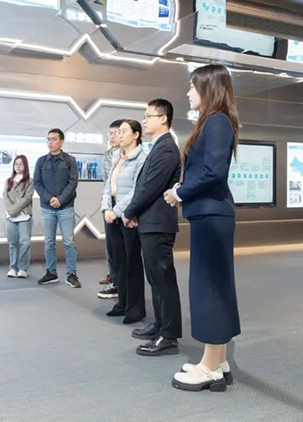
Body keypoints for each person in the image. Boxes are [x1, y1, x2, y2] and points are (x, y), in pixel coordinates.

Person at [164, 64, 241, 392]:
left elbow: (212, 172)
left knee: (208, 287)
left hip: (212, 216)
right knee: (215, 286)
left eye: (192, 87)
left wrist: (179, 192)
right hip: (210, 215)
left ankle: (209, 366)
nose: (188, 93)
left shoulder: (217, 121)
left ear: (208, 88)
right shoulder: (215, 121)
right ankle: (218, 360)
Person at [122, 99, 182, 356]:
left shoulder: (166, 149)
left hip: (158, 224)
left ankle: (168, 336)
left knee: (163, 280)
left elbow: (150, 187)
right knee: (156, 279)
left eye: (149, 116)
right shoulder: (158, 146)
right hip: (151, 222)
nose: (144, 121)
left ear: (163, 119)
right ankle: (160, 324)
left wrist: (129, 211)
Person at [100, 120, 147, 322]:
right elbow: (107, 186)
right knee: (118, 262)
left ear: (136, 135)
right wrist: (106, 208)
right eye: (118, 132)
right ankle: (122, 303)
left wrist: (116, 211)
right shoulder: (118, 156)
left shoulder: (142, 158)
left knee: (131, 262)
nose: (119, 135)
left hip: (128, 215)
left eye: (123, 131)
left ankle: (135, 309)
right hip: (111, 213)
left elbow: (137, 190)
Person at [34, 129, 81, 288]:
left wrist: (60, 199)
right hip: (47, 208)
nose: (50, 142)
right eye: (48, 139)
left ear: (61, 141)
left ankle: (71, 274)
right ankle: (51, 273)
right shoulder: (41, 161)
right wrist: (50, 199)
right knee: (49, 242)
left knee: (69, 242)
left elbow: (73, 182)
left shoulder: (70, 160)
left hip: (66, 207)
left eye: (53, 139)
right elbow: (37, 183)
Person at [98, 120, 123, 290]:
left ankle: (121, 279)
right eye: (110, 133)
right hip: (109, 203)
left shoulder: (128, 154)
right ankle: (113, 274)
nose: (112, 137)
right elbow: (105, 182)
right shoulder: (106, 155)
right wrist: (106, 205)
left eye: (116, 133)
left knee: (122, 244)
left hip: (124, 203)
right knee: (110, 243)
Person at [3, 155, 34, 278]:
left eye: (21, 164)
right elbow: (5, 196)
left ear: (25, 166)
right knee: (13, 243)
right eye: (16, 164)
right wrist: (11, 212)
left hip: (24, 216)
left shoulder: (30, 181)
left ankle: (23, 268)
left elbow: (27, 198)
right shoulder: (8, 181)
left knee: (24, 243)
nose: (18, 166)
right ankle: (13, 267)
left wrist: (14, 210)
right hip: (10, 217)